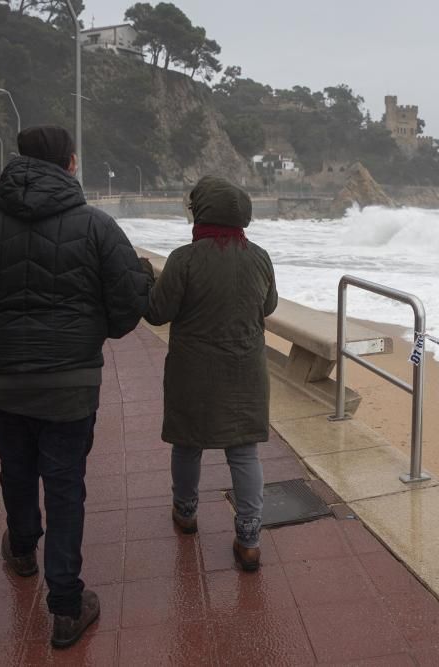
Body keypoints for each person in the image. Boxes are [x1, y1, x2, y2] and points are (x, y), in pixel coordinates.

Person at [0, 125, 152, 648]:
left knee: (16, 467)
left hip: (4, 379)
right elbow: (128, 308)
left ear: (19, 160)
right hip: (70, 385)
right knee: (64, 486)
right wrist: (86, 332)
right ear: (71, 163)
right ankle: (66, 605)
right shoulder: (97, 226)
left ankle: (21, 551)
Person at [145, 175, 278, 571]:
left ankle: (186, 513)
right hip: (245, 369)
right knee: (244, 451)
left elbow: (157, 312)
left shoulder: (184, 260)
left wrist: (144, 281)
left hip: (194, 370)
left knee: (188, 443)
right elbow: (267, 306)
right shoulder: (260, 257)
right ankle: (249, 539)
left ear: (200, 213)